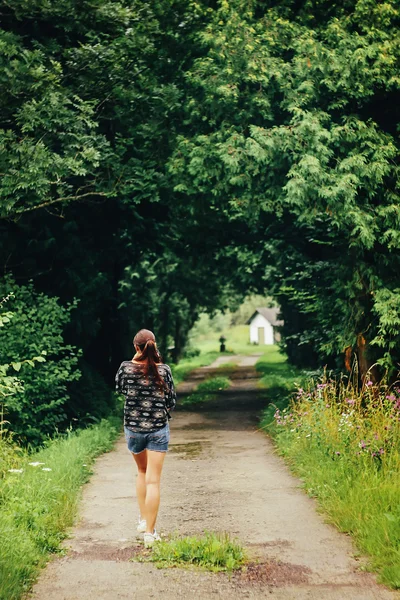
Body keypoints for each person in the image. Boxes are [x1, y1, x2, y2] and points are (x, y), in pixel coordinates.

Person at [115, 328, 176, 547]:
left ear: (136, 347)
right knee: (154, 481)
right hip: (158, 429)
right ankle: (150, 533)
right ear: (155, 346)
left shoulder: (125, 368)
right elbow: (171, 401)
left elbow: (120, 389)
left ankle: (142, 520)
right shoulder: (164, 370)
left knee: (141, 471)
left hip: (133, 430)